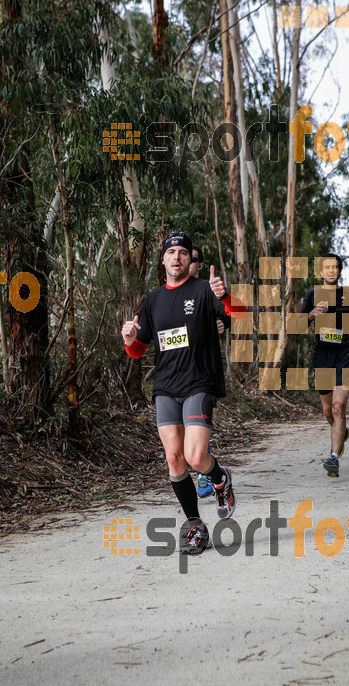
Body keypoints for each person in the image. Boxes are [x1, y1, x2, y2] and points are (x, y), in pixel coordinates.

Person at [121, 231, 245, 555]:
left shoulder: (204, 290)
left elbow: (241, 317)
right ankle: (195, 526)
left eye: (183, 253)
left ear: (190, 259)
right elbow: (138, 351)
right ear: (162, 259)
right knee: (174, 460)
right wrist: (129, 338)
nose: (177, 257)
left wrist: (227, 296)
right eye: (171, 252)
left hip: (198, 384)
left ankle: (220, 478)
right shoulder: (153, 300)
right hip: (165, 387)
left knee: (194, 457)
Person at [300, 254, 349, 478]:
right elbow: (299, 323)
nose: (331, 271)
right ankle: (341, 433)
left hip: (345, 354)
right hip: (322, 355)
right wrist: (311, 314)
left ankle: (333, 457)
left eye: (335, 267)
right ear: (321, 272)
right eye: (327, 268)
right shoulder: (312, 294)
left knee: (338, 407)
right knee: (327, 410)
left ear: (340, 271)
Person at [189, 246, 231, 499]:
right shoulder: (165, 294)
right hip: (173, 377)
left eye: (192, 258)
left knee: (196, 427)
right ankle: (202, 470)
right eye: (177, 254)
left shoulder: (208, 288)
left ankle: (204, 474)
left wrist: (222, 322)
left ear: (200, 265)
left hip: (202, 373)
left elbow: (232, 313)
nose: (185, 261)